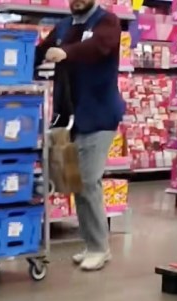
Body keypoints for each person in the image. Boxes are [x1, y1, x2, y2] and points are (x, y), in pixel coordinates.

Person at [35, 0, 125, 272]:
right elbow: (40, 53)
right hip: (68, 117)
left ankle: (100, 248)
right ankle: (91, 243)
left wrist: (65, 53)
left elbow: (99, 47)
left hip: (99, 116)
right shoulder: (62, 26)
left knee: (88, 180)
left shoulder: (107, 22)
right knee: (74, 183)